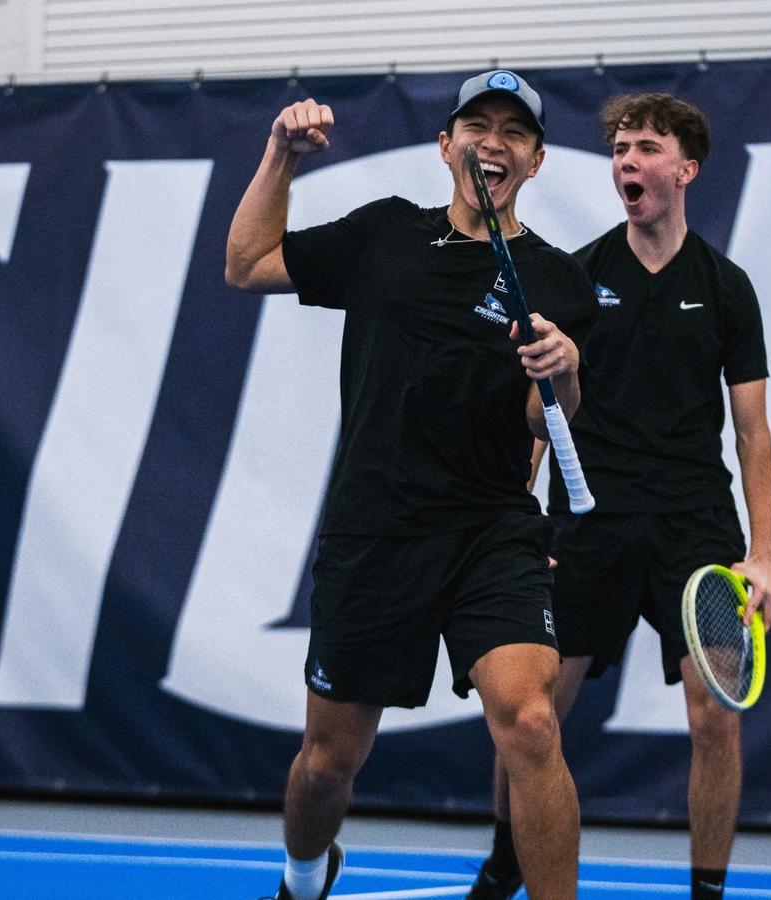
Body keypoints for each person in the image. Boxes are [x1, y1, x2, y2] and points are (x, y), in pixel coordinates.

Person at [225, 70, 596, 900]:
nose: (491, 141)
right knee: (327, 764)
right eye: (477, 126)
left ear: (535, 161)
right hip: (376, 531)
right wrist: (280, 157)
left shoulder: (560, 283)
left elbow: (548, 425)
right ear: (446, 147)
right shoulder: (385, 235)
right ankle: (303, 875)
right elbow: (247, 264)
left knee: (533, 725)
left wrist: (563, 375)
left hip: (492, 533)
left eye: (513, 132)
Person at [468, 92, 771, 900]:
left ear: (686, 168)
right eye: (618, 151)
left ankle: (707, 891)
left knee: (717, 718)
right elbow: (541, 417)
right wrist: (519, 523)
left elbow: (752, 432)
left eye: (644, 149)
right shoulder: (580, 277)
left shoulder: (726, 287)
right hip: (590, 524)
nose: (627, 164)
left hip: (694, 528)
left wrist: (757, 553)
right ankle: (506, 862)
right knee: (530, 713)